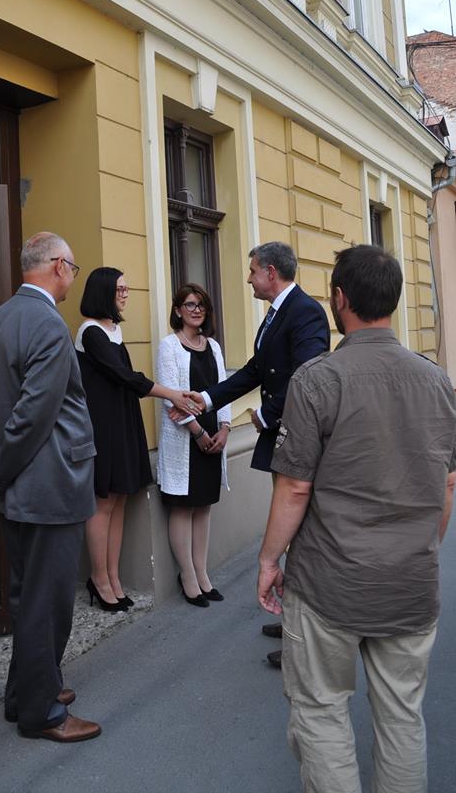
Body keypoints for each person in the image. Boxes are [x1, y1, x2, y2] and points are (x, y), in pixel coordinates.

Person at [257, 244, 456, 793]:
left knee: (321, 710)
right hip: (411, 584)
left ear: (339, 299)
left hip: (330, 585)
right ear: (393, 301)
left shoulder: (319, 379)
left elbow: (296, 486)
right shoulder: (438, 383)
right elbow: (445, 483)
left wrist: (270, 560)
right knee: (401, 717)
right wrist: (423, 548)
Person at [0, 232, 101, 744]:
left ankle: (24, 692)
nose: (74, 276)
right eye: (74, 266)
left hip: (20, 486)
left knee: (28, 597)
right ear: (59, 267)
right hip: (48, 485)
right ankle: (41, 712)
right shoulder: (46, 322)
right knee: (48, 602)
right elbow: (32, 417)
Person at [187, 242, 329, 658]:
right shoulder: (278, 312)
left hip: (296, 435)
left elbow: (309, 374)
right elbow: (255, 369)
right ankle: (295, 623)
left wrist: (268, 414)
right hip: (282, 434)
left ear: (270, 271)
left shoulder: (304, 311)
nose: (247, 278)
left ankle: (306, 640)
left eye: (251, 271)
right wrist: (208, 399)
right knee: (293, 533)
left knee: (302, 535)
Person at [76, 267, 202, 612]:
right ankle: (99, 579)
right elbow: (123, 376)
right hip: (102, 425)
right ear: (103, 291)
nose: (125, 293)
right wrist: (171, 394)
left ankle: (113, 577)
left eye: (126, 287)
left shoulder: (113, 330)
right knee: (103, 503)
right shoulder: (90, 332)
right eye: (120, 288)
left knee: (118, 501)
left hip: (122, 420)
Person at [156, 284, 231, 607]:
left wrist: (225, 428)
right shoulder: (169, 346)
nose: (196, 310)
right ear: (177, 310)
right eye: (189, 304)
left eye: (201, 305)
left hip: (213, 437)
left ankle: (202, 574)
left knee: (203, 507)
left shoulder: (212, 346)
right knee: (183, 507)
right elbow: (170, 400)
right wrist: (198, 432)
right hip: (185, 440)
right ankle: (187, 576)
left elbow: (223, 389)